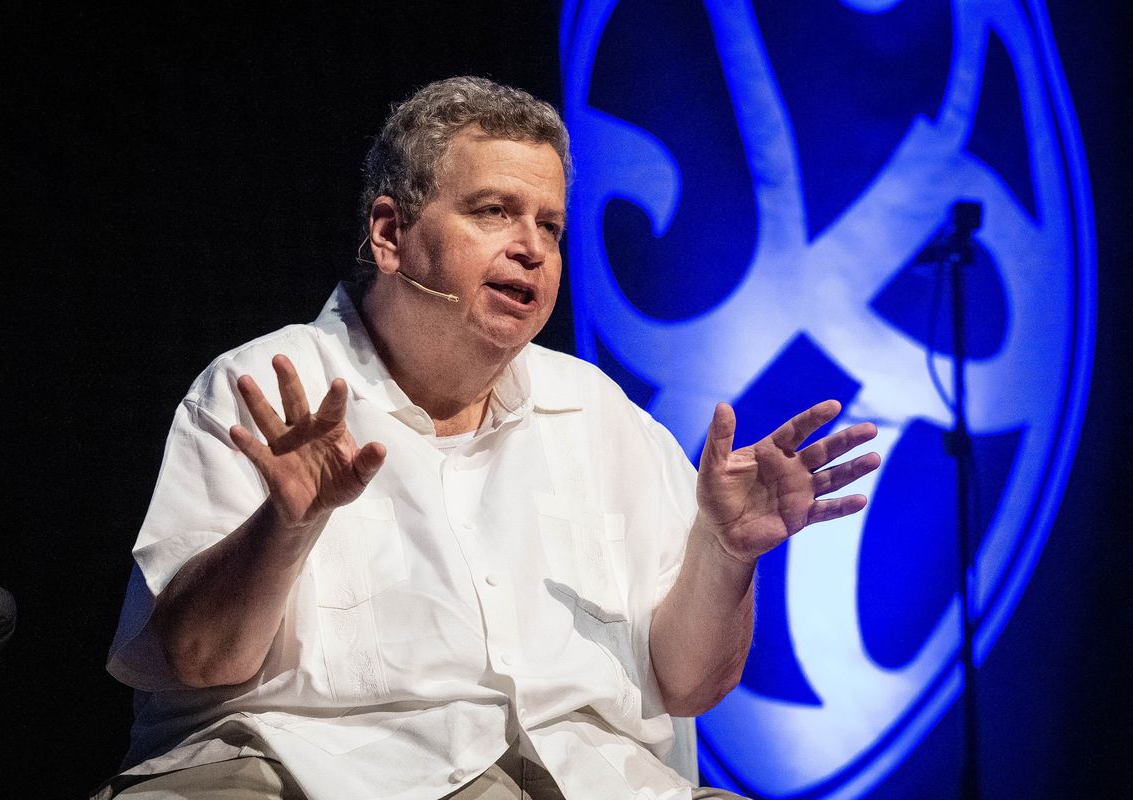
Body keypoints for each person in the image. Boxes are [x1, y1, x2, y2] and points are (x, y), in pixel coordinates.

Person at [98, 76, 880, 800]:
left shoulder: (600, 415)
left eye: (551, 225)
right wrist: (285, 526)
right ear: (389, 233)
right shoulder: (269, 388)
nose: (532, 248)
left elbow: (692, 686)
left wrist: (726, 552)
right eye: (493, 211)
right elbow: (197, 660)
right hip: (311, 768)